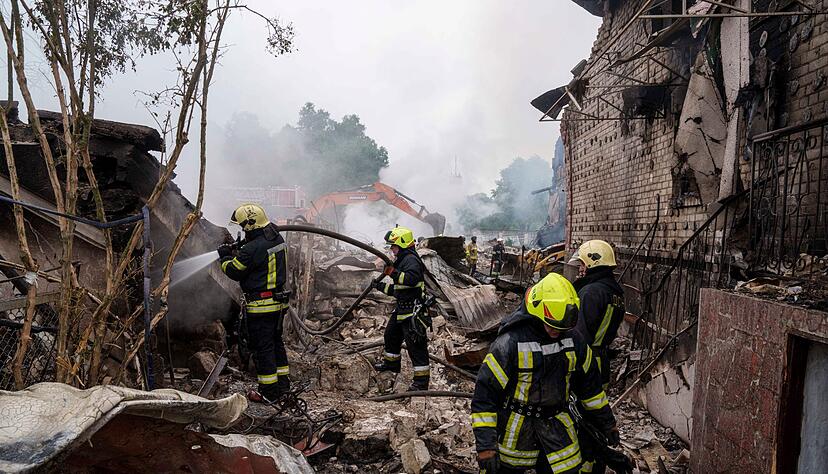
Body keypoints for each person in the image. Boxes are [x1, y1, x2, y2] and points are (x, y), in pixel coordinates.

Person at [471, 273, 618, 473]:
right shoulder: (508, 344)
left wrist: (607, 423)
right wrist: (486, 446)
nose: (555, 332)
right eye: (551, 325)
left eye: (561, 327)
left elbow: (591, 392)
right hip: (516, 433)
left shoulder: (575, 341)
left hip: (558, 429)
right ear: (537, 312)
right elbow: (485, 397)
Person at [218, 203, 290, 402]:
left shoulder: (252, 249)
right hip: (278, 303)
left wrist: (224, 257)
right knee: (276, 343)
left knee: (262, 348)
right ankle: (283, 386)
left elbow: (234, 271)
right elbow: (260, 256)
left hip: (261, 306)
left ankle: (268, 394)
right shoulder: (276, 238)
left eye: (243, 226)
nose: (242, 230)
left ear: (250, 225)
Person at [568, 240, 625, 473]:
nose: (580, 268)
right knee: (595, 414)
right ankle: (595, 461)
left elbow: (578, 335)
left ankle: (587, 464)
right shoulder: (615, 292)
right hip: (601, 361)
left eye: (582, 263)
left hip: (586, 361)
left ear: (593, 262)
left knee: (580, 417)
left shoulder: (591, 292)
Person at [373, 226, 431, 391]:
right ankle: (391, 366)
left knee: (416, 346)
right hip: (402, 309)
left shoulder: (411, 260)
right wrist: (379, 286)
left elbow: (411, 279)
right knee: (391, 335)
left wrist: (393, 273)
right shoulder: (402, 260)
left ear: (403, 244)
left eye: (394, 246)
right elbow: (398, 290)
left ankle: (421, 383)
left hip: (413, 311)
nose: (392, 249)